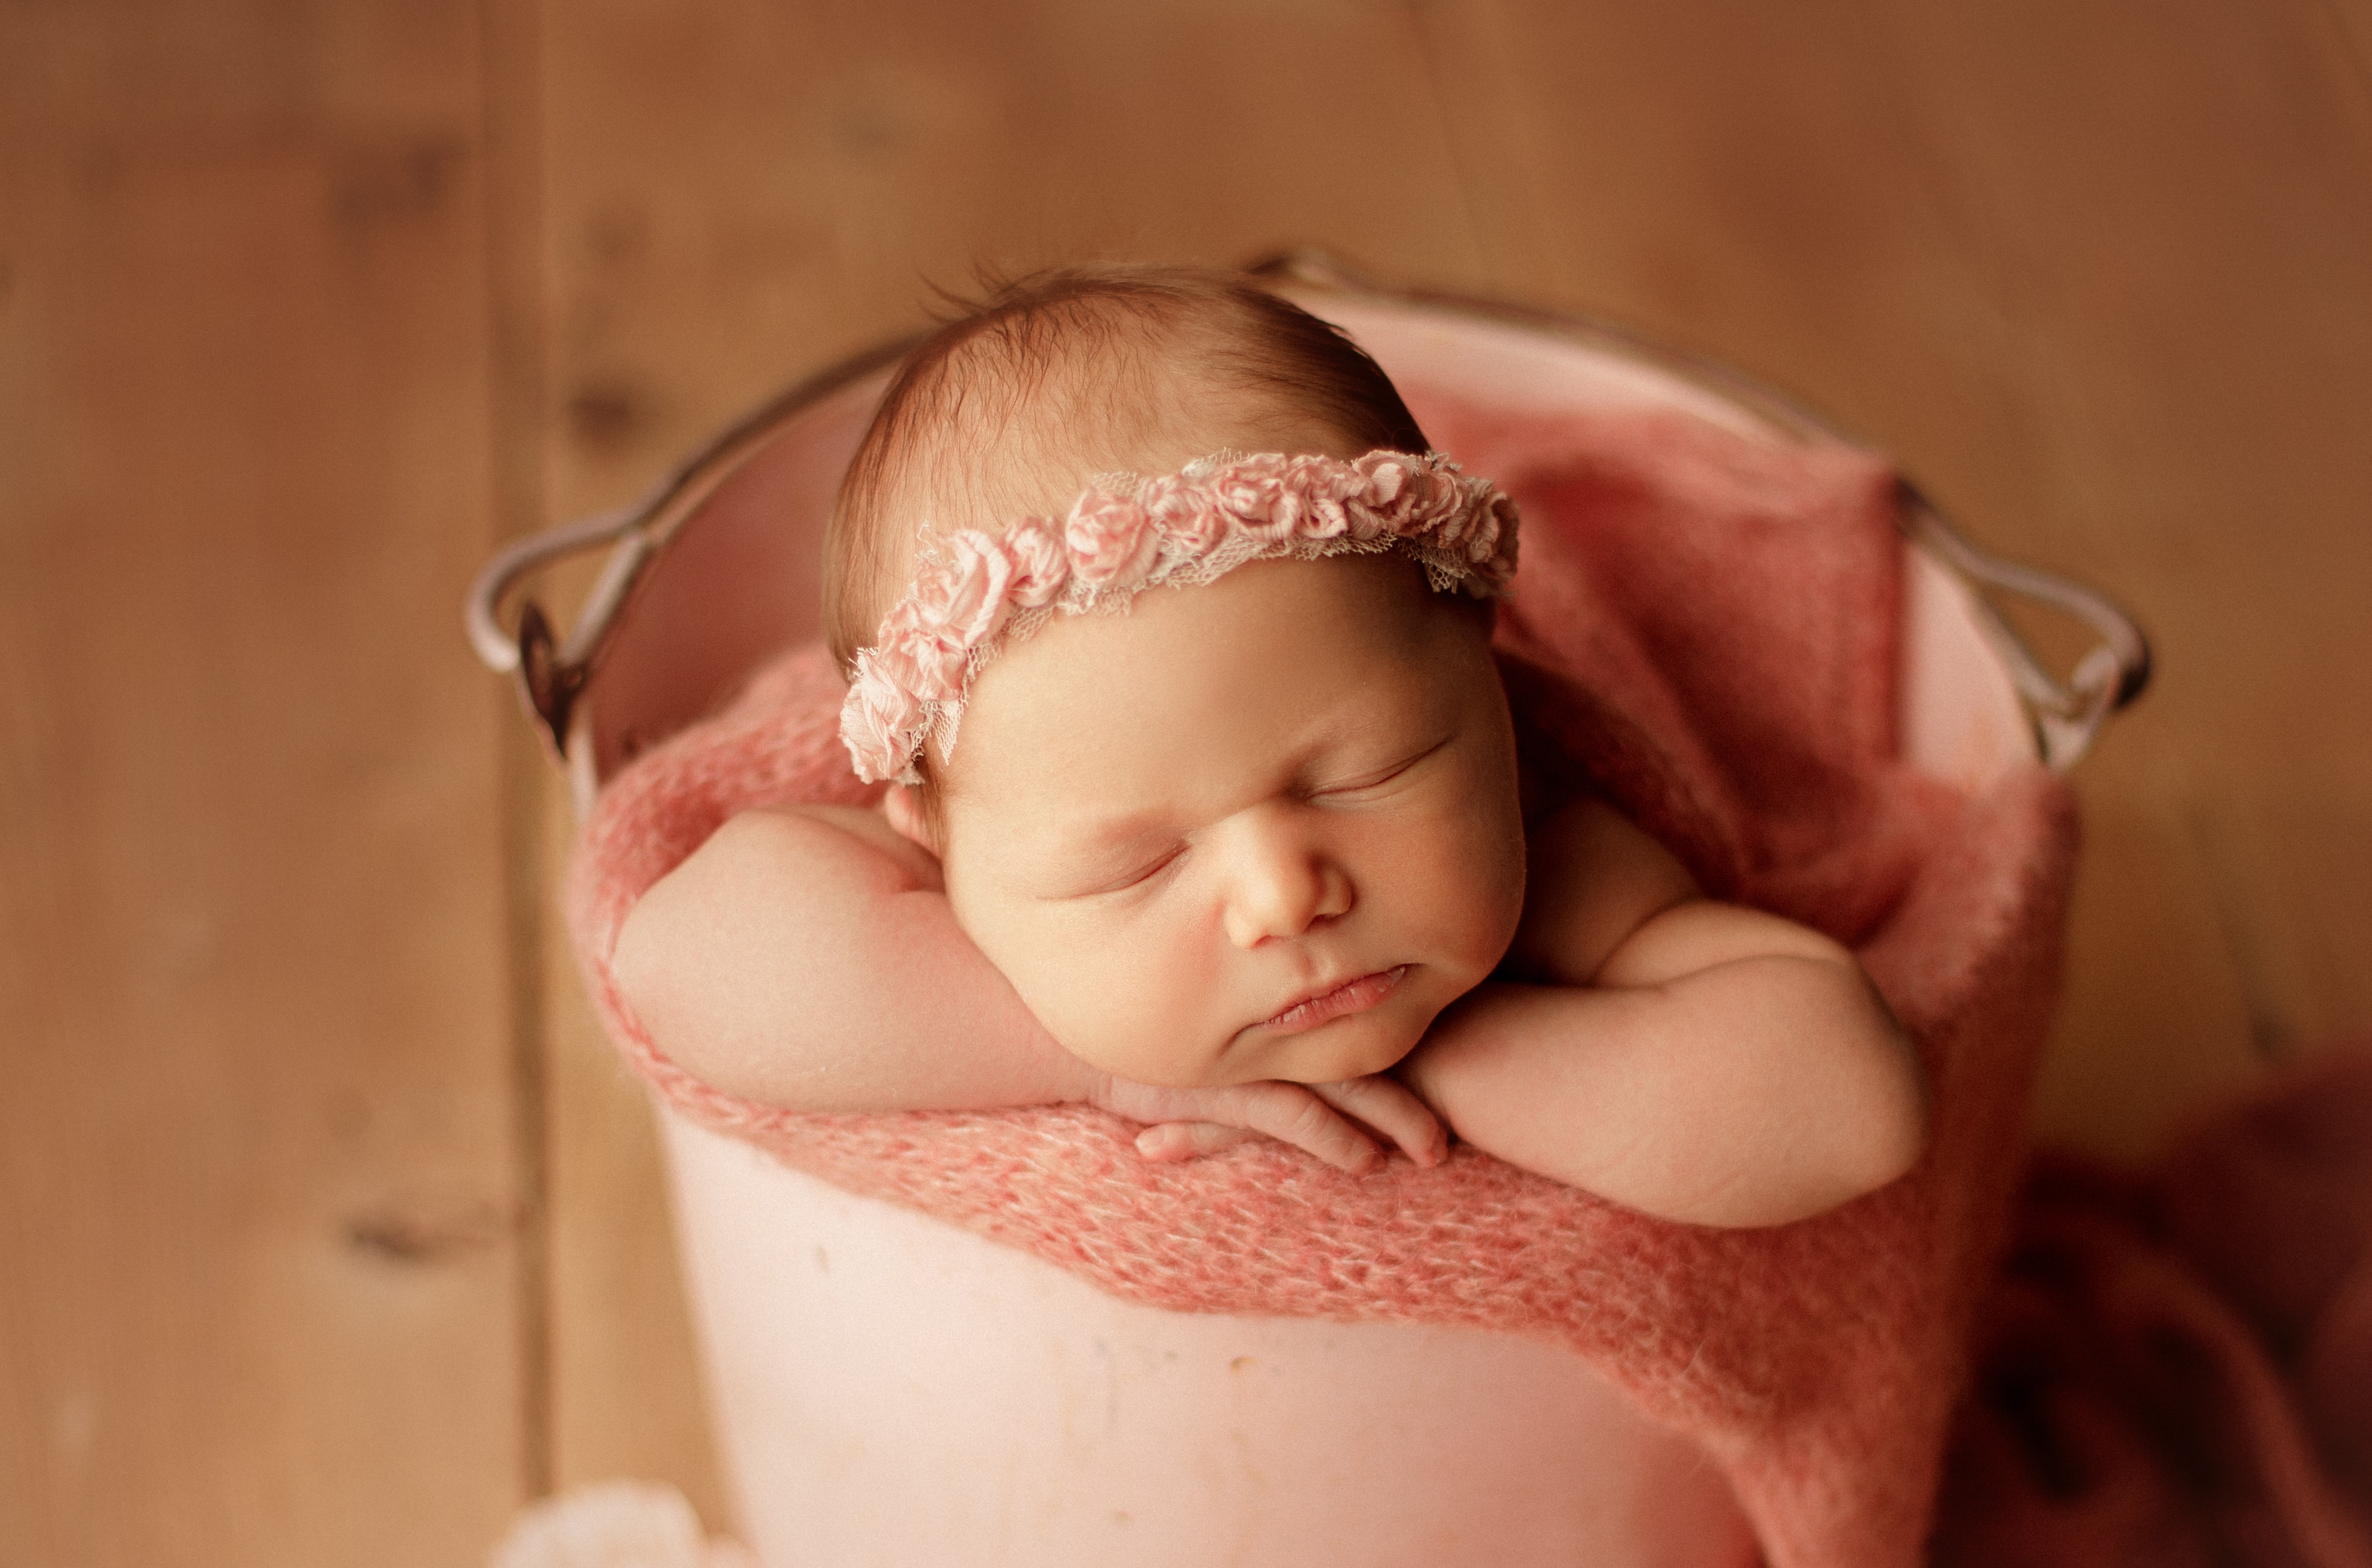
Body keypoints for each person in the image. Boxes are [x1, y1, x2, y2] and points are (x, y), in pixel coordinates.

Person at [613, 265, 1925, 1229]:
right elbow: (674, 959)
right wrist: (1092, 1063)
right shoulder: (981, 910)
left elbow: (1847, 1098)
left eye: (1366, 774)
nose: (1282, 892)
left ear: (1483, 662)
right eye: (1137, 863)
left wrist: (1461, 1057)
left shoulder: (1558, 867)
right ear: (938, 835)